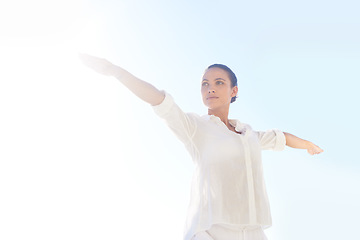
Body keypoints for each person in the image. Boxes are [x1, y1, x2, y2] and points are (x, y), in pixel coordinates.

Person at [79, 53, 324, 240]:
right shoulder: (196, 127)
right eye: (205, 84)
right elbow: (159, 100)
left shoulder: (248, 134)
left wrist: (307, 145)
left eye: (218, 83)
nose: (210, 88)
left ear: (233, 91)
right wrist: (115, 71)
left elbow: (279, 137)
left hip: (253, 231)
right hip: (210, 232)